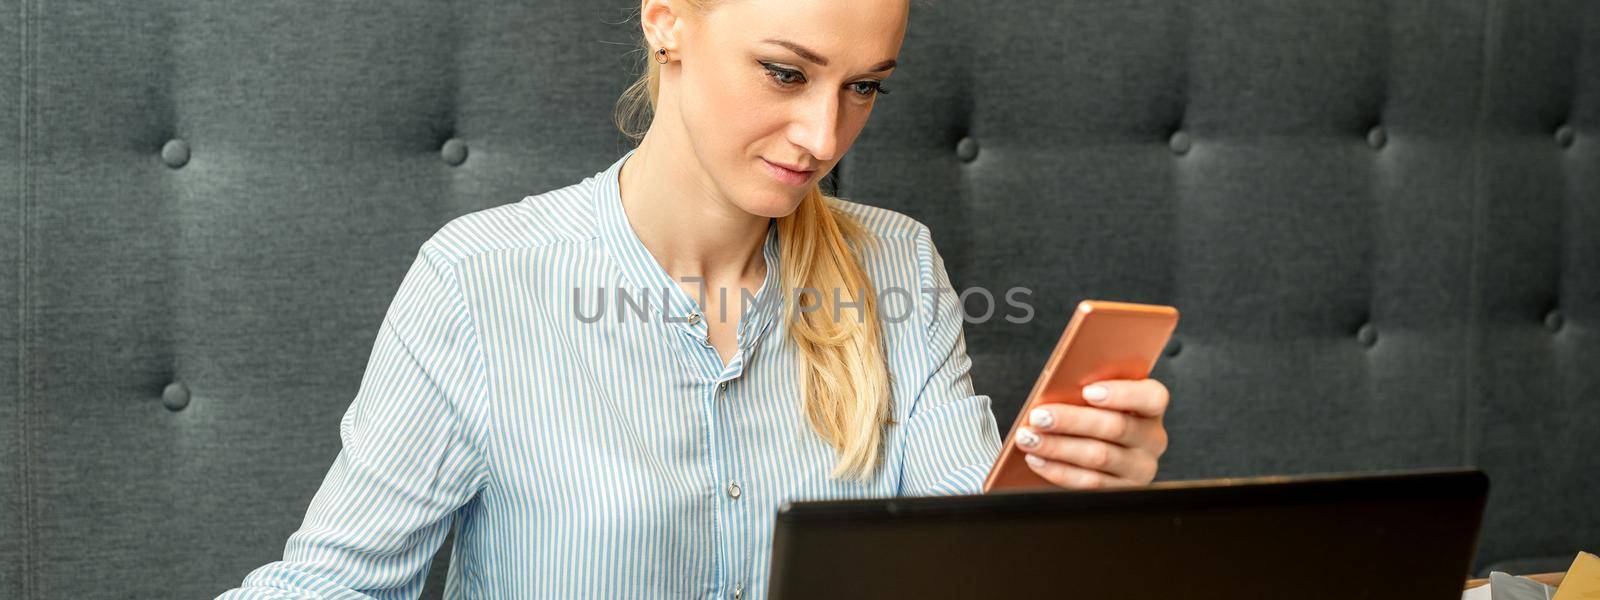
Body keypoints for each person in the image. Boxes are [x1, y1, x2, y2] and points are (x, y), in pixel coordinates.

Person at [216, 0, 1170, 597]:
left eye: (865, 88)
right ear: (667, 18)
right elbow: (333, 583)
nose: (823, 133)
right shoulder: (480, 281)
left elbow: (978, 562)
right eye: (786, 72)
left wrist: (1077, 499)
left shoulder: (896, 267)